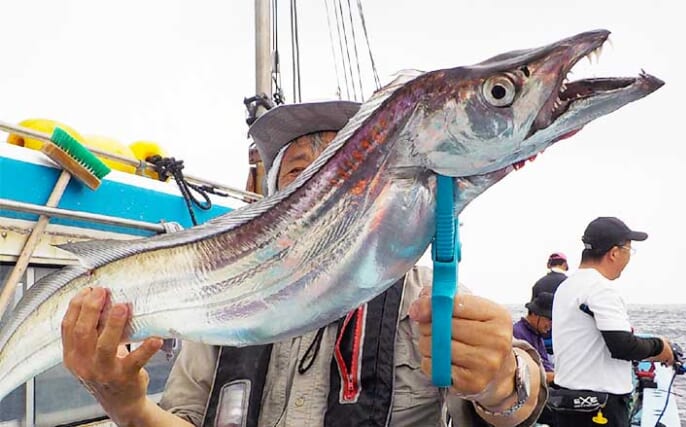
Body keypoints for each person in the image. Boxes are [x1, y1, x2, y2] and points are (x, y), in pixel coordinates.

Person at [60, 101, 547, 427]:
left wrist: (504, 378)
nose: (322, 185)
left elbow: (514, 407)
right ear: (272, 201)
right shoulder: (217, 307)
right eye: (299, 171)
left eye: (345, 168)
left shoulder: (426, 297)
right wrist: (126, 405)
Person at [550, 216, 675, 427]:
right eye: (629, 250)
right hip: (601, 409)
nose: (629, 257)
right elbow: (622, 346)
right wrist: (660, 346)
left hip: (567, 403)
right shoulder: (600, 288)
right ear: (614, 253)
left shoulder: (566, 287)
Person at [513, 292, 555, 384]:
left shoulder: (537, 334)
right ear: (535, 314)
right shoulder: (517, 335)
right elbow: (522, 375)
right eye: (549, 319)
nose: (551, 325)